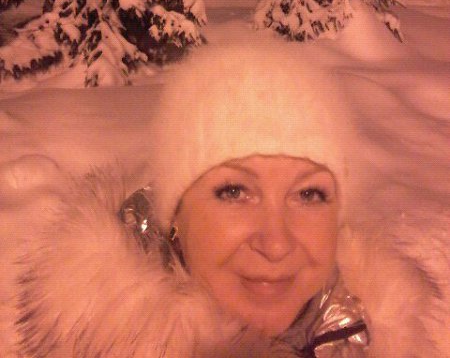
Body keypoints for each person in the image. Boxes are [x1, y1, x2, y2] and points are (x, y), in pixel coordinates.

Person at [12, 40, 449, 358]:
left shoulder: (389, 333)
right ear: (174, 215)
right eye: (234, 191)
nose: (275, 243)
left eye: (309, 193)